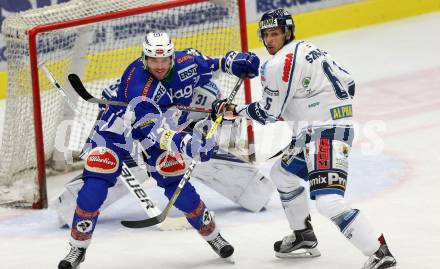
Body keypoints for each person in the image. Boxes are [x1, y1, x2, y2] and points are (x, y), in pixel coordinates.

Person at [211, 9, 396, 269]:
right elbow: (349, 83)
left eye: (275, 33)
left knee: (329, 202)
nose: (270, 39)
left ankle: (380, 253)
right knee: (282, 174)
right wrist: (312, 105)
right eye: (266, 34)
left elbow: (267, 113)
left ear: (287, 32)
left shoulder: (276, 64)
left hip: (324, 134)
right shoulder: (310, 47)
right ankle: (304, 237)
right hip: (316, 132)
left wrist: (234, 111)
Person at [58, 32, 259, 269]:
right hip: (120, 124)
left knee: (177, 182)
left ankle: (213, 235)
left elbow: (218, 64)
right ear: (145, 58)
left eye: (164, 60)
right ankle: (77, 248)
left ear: (173, 57)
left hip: (163, 123)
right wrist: (188, 144)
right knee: (96, 182)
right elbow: (152, 132)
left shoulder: (189, 63)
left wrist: (237, 61)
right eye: (153, 60)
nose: (159, 66)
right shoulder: (138, 84)